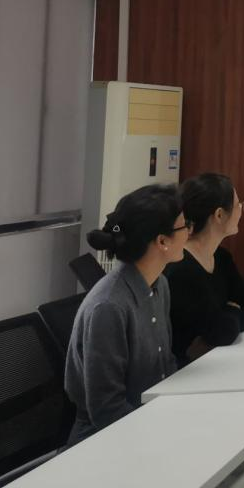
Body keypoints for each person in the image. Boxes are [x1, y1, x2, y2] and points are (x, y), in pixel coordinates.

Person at [65, 184, 183, 444]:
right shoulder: (109, 306)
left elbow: (166, 365)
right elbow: (107, 410)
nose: (190, 232)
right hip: (106, 440)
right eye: (184, 227)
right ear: (162, 242)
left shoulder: (159, 284)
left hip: (148, 423)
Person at [164, 173, 244, 366]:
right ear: (219, 215)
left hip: (215, 362)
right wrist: (232, 310)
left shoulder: (222, 258)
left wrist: (227, 316)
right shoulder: (181, 267)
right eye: (238, 205)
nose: (241, 210)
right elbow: (220, 332)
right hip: (186, 371)